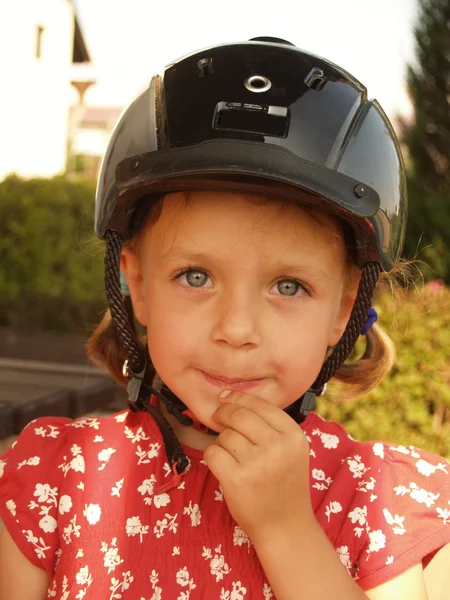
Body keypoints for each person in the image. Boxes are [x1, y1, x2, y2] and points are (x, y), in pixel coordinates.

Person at [0, 37, 449, 600]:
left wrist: (286, 531)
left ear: (342, 310)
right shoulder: (57, 479)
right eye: (195, 276)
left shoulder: (373, 501)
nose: (237, 330)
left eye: (289, 286)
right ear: (136, 286)